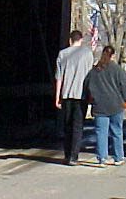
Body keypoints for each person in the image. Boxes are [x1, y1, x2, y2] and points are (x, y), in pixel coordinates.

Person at [83, 45, 126, 167]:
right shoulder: (117, 70)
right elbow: (124, 86)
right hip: (116, 105)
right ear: (113, 56)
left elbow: (87, 85)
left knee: (101, 133)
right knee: (116, 131)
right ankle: (118, 157)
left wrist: (90, 99)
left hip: (99, 106)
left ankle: (102, 159)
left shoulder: (95, 70)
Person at [55, 30, 94, 166]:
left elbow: (58, 78)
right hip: (81, 95)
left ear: (70, 40)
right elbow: (90, 77)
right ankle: (73, 156)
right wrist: (90, 95)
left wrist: (57, 96)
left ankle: (66, 155)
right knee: (78, 126)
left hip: (66, 95)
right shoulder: (88, 54)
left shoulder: (62, 54)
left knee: (67, 126)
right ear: (81, 40)